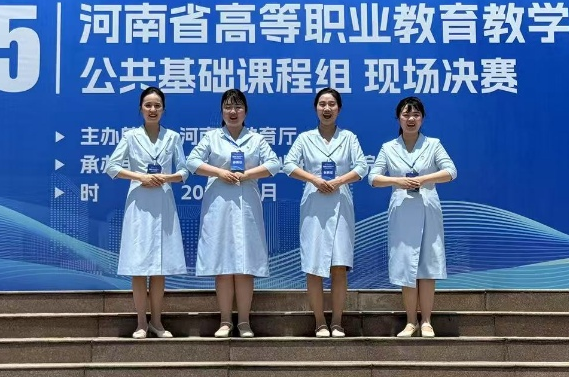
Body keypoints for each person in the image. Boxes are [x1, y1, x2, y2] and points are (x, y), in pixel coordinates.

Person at [186, 89, 281, 338]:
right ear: (221, 111)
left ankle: (245, 322)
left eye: (238, 107)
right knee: (223, 264)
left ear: (245, 112)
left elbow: (274, 164)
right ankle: (225, 321)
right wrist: (219, 172)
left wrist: (247, 174)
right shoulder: (212, 137)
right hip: (219, 206)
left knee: (245, 265)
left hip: (247, 206)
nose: (233, 112)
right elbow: (192, 162)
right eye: (228, 107)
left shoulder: (256, 139)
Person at [368, 96, 457, 338]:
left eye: (416, 115)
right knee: (406, 265)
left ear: (422, 118)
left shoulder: (433, 144)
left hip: (428, 209)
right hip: (402, 212)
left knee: (427, 266)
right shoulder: (389, 147)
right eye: (406, 114)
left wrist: (424, 179)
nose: (411, 119)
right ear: (398, 118)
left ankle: (426, 321)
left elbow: (451, 171)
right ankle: (410, 322)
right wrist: (397, 181)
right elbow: (373, 178)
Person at [283, 88, 368, 338]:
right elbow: (288, 165)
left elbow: (362, 167)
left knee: (339, 266)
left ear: (339, 108)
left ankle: (337, 322)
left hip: (341, 202)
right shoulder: (305, 138)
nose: (327, 109)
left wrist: (339, 180)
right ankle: (320, 322)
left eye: (332, 104)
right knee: (314, 266)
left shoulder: (349, 137)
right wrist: (314, 179)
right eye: (322, 104)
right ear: (316, 108)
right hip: (314, 204)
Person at [105, 86, 189, 339]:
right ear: (140, 108)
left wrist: (167, 177)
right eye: (148, 105)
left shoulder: (172, 137)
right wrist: (139, 176)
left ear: (164, 109)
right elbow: (111, 167)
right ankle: (141, 323)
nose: (153, 109)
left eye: (157, 105)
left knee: (159, 267)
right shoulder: (130, 136)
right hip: (139, 203)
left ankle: (157, 322)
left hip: (163, 202)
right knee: (139, 265)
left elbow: (184, 171)